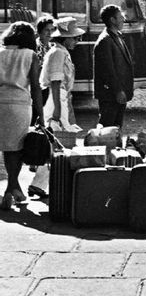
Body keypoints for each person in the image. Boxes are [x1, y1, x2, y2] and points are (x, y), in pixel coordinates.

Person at [29, 17, 84, 199]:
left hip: (60, 98)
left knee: (55, 144)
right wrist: (58, 110)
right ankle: (47, 183)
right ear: (65, 38)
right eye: (74, 38)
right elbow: (55, 82)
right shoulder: (58, 53)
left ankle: (39, 183)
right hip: (56, 99)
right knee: (58, 142)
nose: (77, 41)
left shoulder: (60, 52)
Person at [0, 22, 43, 210]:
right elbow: (35, 87)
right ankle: (10, 188)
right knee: (15, 148)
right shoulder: (30, 55)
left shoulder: (0, 53)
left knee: (4, 148)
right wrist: (40, 114)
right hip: (19, 105)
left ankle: (14, 189)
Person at [93, 5, 134, 128]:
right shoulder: (105, 41)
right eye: (121, 17)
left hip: (118, 93)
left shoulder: (116, 36)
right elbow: (108, 70)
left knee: (116, 128)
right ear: (112, 20)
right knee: (107, 128)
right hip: (111, 94)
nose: (123, 19)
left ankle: (115, 146)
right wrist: (118, 91)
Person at [34, 16, 54, 106]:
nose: (50, 33)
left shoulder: (52, 47)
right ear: (39, 31)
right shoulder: (35, 46)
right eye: (47, 30)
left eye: (52, 30)